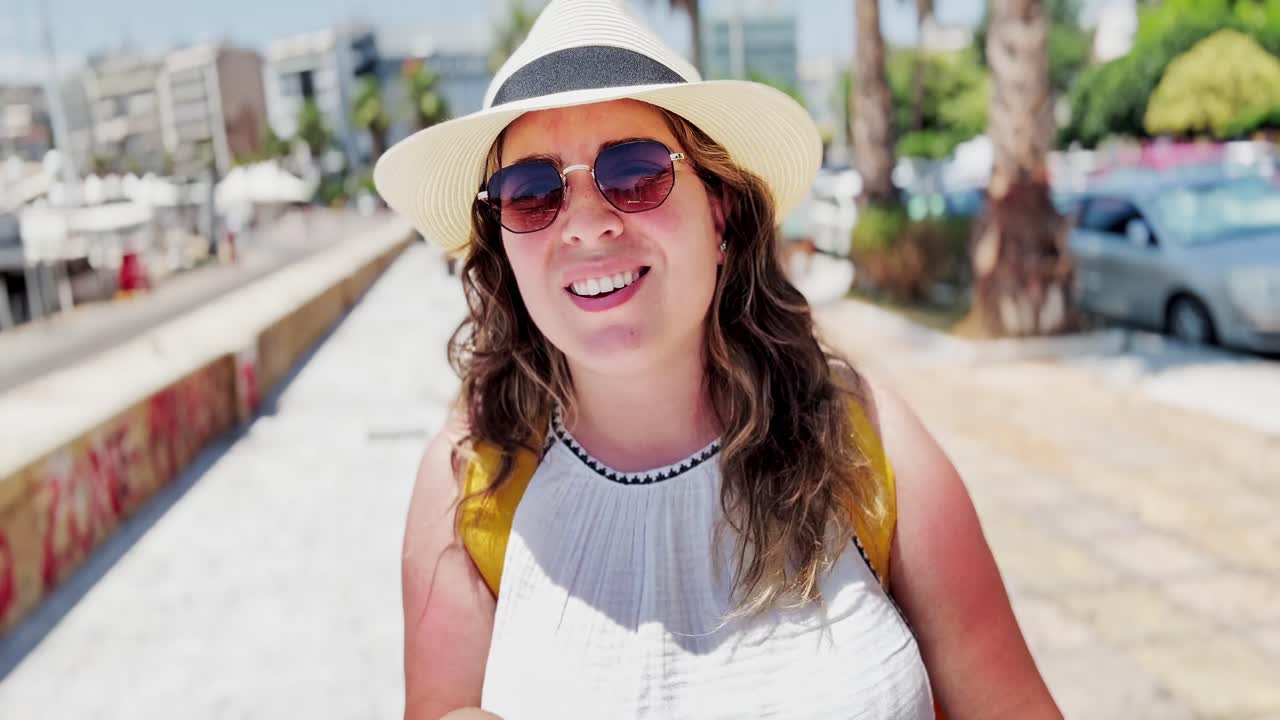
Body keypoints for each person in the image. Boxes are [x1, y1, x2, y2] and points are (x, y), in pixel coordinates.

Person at [374, 1, 1061, 718]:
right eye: (533, 192)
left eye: (635, 172)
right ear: (502, 241)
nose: (585, 223)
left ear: (721, 209)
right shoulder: (467, 486)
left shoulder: (867, 442)